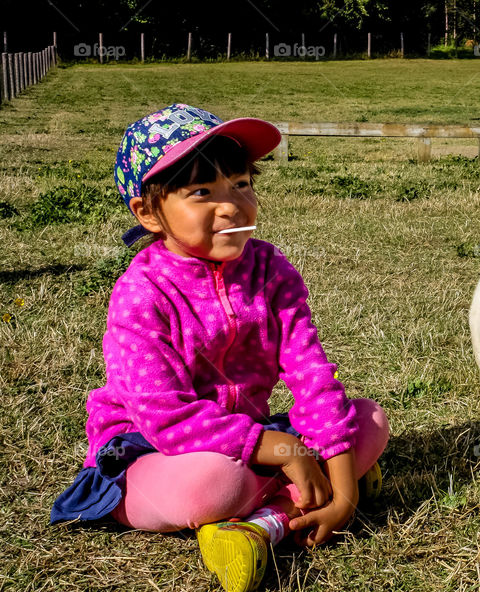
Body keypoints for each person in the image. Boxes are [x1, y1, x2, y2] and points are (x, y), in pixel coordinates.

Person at [51, 103, 389, 592]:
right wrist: (289, 450)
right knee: (211, 484)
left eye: (241, 184)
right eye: (202, 192)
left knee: (369, 418)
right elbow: (166, 417)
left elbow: (311, 374)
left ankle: (262, 524)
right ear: (148, 212)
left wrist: (343, 491)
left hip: (250, 436)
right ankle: (287, 498)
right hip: (153, 448)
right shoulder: (141, 293)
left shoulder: (270, 270)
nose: (231, 205)